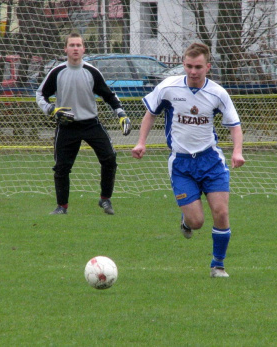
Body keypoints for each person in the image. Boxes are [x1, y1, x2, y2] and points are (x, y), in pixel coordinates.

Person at [131, 43, 245, 278]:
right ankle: (187, 220)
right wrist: (141, 142)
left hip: (211, 161)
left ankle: (218, 265)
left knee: (221, 213)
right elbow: (150, 114)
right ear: (183, 65)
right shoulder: (168, 88)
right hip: (181, 165)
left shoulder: (218, 93)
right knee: (197, 222)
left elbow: (235, 125)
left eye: (198, 67)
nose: (193, 71)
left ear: (208, 67)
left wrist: (237, 152)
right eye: (189, 66)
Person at [36, 32, 131, 215]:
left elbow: (108, 95)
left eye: (78, 45)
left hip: (91, 124)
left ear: (83, 49)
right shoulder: (57, 72)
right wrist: (51, 110)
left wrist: (121, 114)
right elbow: (40, 95)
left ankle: (105, 200)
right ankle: (61, 207)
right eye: (72, 45)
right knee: (62, 167)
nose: (75, 48)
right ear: (65, 49)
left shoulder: (91, 71)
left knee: (109, 159)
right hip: (66, 125)